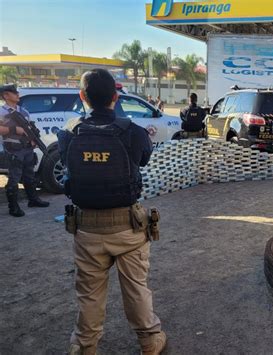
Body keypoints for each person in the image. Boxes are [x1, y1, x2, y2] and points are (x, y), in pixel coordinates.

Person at [57, 69, 166, 354]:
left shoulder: (69, 132)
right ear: (115, 98)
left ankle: (84, 346)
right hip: (128, 228)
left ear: (83, 96)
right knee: (136, 289)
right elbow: (143, 159)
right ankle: (150, 342)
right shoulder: (132, 132)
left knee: (89, 295)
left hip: (87, 228)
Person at [0, 84, 49, 217]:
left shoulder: (23, 111)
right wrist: (13, 130)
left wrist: (34, 140)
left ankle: (33, 200)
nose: (17, 95)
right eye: (14, 93)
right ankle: (13, 207)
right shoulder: (2, 112)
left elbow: (30, 128)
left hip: (27, 148)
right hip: (13, 149)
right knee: (14, 178)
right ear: (6, 95)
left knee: (29, 175)